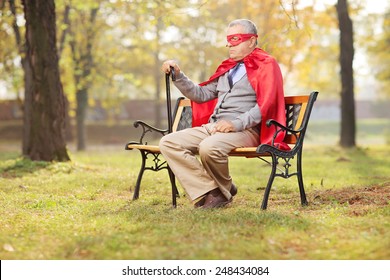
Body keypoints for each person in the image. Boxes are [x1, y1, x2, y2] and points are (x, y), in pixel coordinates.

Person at [160, 19, 287, 209]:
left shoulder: (266, 65)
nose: (229, 44)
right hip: (214, 126)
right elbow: (200, 95)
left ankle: (220, 191)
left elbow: (266, 105)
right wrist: (178, 75)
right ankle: (216, 191)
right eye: (228, 40)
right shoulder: (228, 67)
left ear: (252, 41)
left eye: (235, 39)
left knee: (209, 147)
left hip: (246, 130)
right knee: (168, 142)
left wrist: (235, 124)